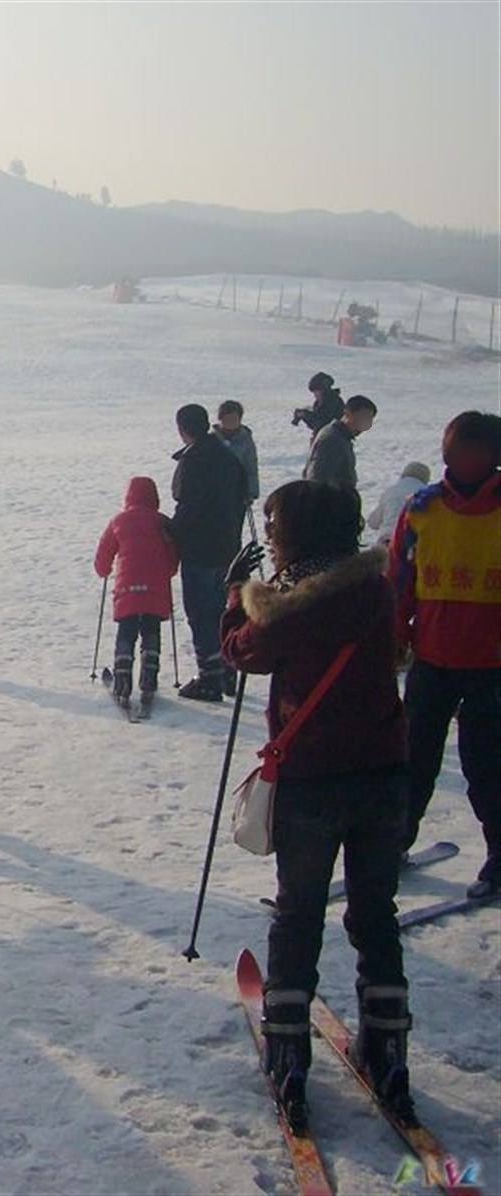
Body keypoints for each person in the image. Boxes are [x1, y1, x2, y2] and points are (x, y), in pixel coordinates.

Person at [221, 480, 414, 1134]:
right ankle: (387, 1047)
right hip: (385, 775)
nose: (271, 536)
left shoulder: (289, 606)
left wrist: (234, 597)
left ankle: (288, 1051)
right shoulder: (375, 587)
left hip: (311, 783)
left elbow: (240, 651)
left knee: (299, 914)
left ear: (297, 532)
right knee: (375, 914)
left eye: (276, 526)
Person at [388, 411, 501, 900]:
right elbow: (399, 581)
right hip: (432, 658)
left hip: (491, 666)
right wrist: (396, 635)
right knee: (413, 760)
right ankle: (393, 842)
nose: (466, 462)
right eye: (458, 452)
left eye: (477, 454)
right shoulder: (421, 510)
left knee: (487, 765)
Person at [169, 402, 249, 701]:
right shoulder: (227, 456)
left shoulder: (194, 461)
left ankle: (209, 677)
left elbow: (190, 507)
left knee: (201, 613)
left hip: (201, 549)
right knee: (221, 610)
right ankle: (228, 667)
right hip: (228, 546)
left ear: (182, 430)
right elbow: (244, 494)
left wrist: (172, 531)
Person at [93, 477, 179, 710]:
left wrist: (103, 570)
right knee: (151, 632)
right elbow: (172, 560)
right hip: (155, 590)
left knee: (126, 633)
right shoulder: (162, 522)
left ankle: (122, 682)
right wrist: (167, 571)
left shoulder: (118, 521)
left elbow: (103, 556)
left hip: (127, 590)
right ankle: (149, 680)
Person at [304, 395, 376, 491]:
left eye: (369, 419)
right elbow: (317, 478)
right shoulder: (333, 439)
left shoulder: (341, 436)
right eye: (362, 417)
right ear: (348, 414)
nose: (365, 423)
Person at [367, 462, 431, 547]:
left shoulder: (390, 491)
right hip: (413, 543)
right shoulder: (427, 494)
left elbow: (373, 522)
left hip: (388, 540)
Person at [215, 399, 260, 516]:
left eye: (233, 419)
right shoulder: (212, 439)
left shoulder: (245, 440)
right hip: (214, 493)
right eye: (226, 419)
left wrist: (251, 492)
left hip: (238, 493)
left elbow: (251, 466)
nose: (230, 422)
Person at [291, 371, 343, 441]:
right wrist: (304, 415)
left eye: (316, 391)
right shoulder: (320, 402)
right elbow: (314, 425)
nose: (315, 394)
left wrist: (305, 415)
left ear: (324, 389)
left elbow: (322, 423)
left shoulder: (333, 402)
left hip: (332, 442)